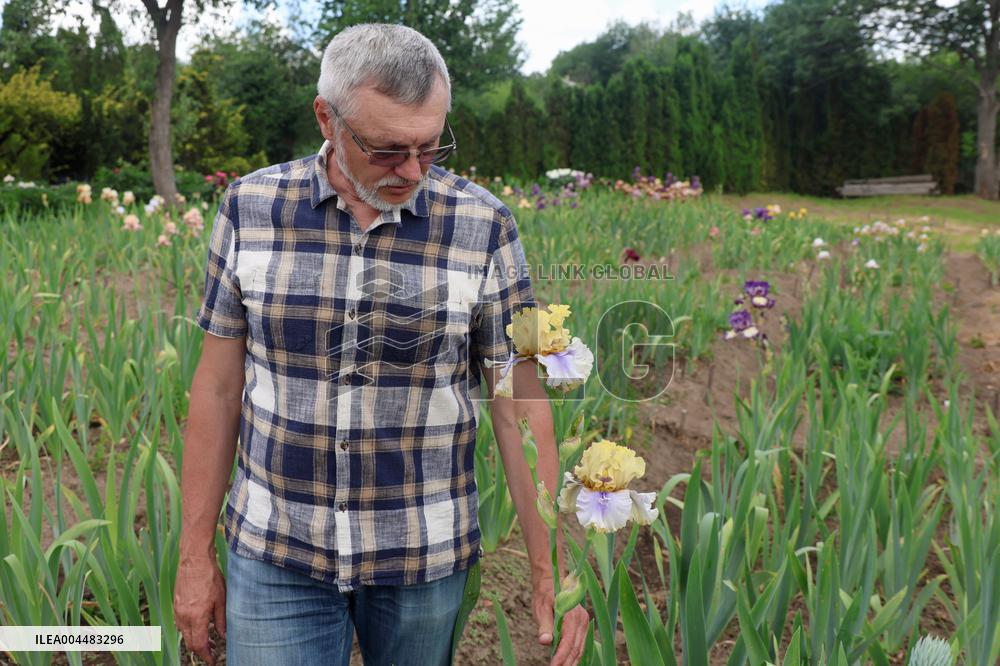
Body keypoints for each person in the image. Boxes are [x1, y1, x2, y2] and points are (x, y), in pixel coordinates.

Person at [172, 22, 589, 666]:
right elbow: (219, 388)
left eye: (430, 146)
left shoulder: (483, 225)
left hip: (424, 555)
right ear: (327, 119)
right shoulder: (250, 208)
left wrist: (550, 567)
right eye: (389, 150)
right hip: (277, 547)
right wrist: (194, 556)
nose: (413, 171)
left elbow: (520, 403)